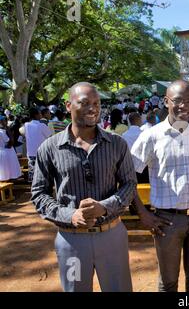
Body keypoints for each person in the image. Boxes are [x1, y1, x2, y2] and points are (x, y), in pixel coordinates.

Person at [31, 82, 136, 292]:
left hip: (112, 237)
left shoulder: (117, 144)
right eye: (84, 103)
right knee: (75, 289)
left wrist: (105, 206)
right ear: (68, 105)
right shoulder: (49, 148)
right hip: (71, 242)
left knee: (119, 289)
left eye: (96, 103)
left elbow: (129, 184)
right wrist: (70, 215)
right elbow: (39, 193)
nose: (93, 108)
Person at [130, 80, 189, 292]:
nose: (184, 106)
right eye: (178, 101)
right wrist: (141, 212)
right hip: (166, 221)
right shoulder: (151, 136)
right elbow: (128, 176)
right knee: (168, 282)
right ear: (166, 101)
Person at [24, 108, 52, 182]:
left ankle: (33, 189)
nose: (41, 115)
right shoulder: (42, 125)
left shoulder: (26, 125)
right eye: (40, 113)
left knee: (33, 175)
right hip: (41, 153)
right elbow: (50, 136)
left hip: (31, 153)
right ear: (36, 115)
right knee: (43, 174)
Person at [0, 115, 22, 181]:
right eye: (5, 121)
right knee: (7, 174)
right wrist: (8, 129)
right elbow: (10, 143)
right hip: (6, 154)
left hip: (5, 153)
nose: (6, 122)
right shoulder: (1, 131)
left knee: (6, 174)